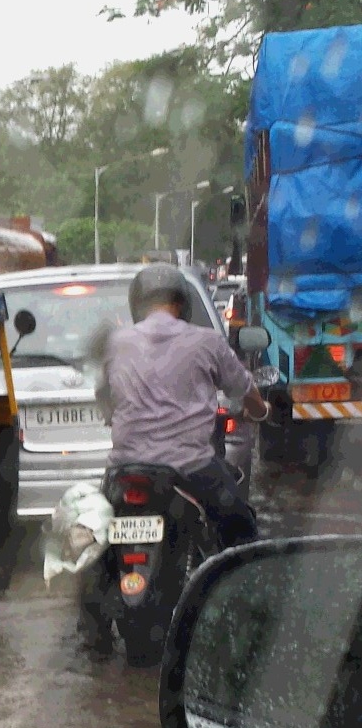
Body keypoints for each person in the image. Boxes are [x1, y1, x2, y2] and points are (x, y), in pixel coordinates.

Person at [78, 263, 267, 650]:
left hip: (125, 470)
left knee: (91, 537)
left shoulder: (116, 344)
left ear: (137, 303)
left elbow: (105, 401)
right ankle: (248, 615)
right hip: (190, 470)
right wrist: (260, 410)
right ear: (182, 303)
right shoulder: (207, 342)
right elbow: (244, 388)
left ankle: (92, 630)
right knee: (239, 526)